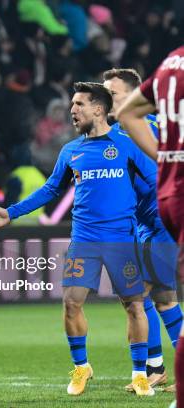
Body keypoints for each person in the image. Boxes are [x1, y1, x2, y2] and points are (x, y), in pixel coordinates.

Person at [0, 82, 157, 397]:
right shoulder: (71, 150)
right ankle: (81, 367)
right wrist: (12, 212)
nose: (72, 110)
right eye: (72, 104)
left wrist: (156, 219)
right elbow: (51, 189)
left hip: (121, 239)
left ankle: (140, 374)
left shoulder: (127, 145)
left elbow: (155, 180)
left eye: (79, 104)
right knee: (71, 303)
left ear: (99, 109)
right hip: (84, 239)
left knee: (134, 306)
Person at [103, 68, 182, 392]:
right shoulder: (121, 132)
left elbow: (156, 178)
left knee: (138, 294)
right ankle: (158, 368)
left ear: (135, 96)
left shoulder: (141, 130)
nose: (108, 99)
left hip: (161, 221)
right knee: (163, 299)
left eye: (114, 93)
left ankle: (154, 367)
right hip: (145, 224)